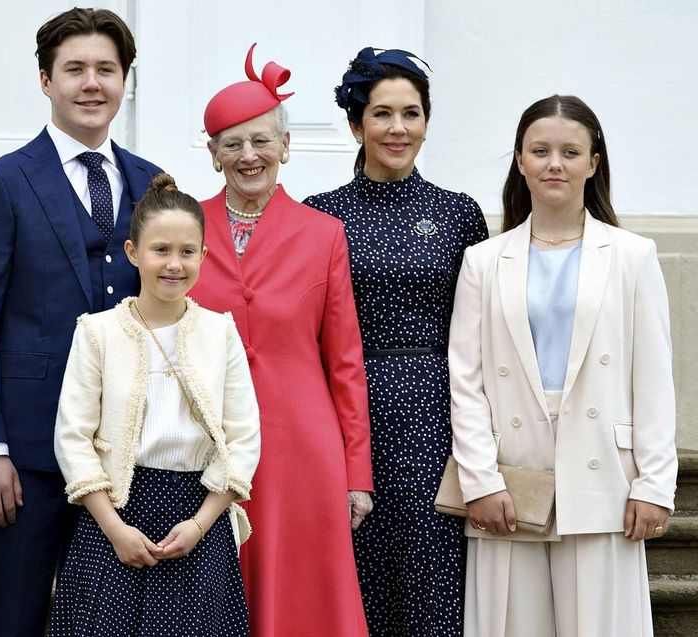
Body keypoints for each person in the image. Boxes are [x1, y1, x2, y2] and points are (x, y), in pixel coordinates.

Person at [0, 8, 163, 634]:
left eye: (106, 69)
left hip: (131, 455)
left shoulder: (153, 184)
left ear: (125, 80)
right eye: (74, 69)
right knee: (11, 618)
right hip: (27, 455)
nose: (91, 84)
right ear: (46, 80)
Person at [450, 95, 677, 636]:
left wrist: (654, 483)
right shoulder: (483, 260)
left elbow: (652, 376)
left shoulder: (632, 256)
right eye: (541, 150)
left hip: (604, 474)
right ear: (520, 160)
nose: (555, 163)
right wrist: (479, 478)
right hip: (511, 476)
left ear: (593, 162)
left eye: (570, 151)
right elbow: (466, 378)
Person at [303, 47, 488, 637]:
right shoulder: (321, 215)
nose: (398, 128)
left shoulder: (459, 213)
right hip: (348, 413)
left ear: (427, 123)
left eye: (411, 113)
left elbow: (482, 328)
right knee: (357, 571)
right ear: (357, 125)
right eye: (382, 114)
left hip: (438, 411)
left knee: (434, 572)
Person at [190, 44, 373, 637]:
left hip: (301, 445)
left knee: (299, 592)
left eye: (262, 140)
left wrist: (356, 473)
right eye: (233, 143)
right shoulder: (184, 227)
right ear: (214, 154)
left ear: (286, 148)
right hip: (205, 441)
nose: (250, 155)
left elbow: (345, 362)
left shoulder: (324, 235)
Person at [48, 173, 260, 636]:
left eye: (187, 252)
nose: (174, 264)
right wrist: (114, 528)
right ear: (132, 253)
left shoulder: (219, 332)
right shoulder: (97, 332)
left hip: (196, 517)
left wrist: (202, 524)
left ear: (204, 255)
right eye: (160, 250)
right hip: (115, 517)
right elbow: (73, 437)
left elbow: (243, 438)